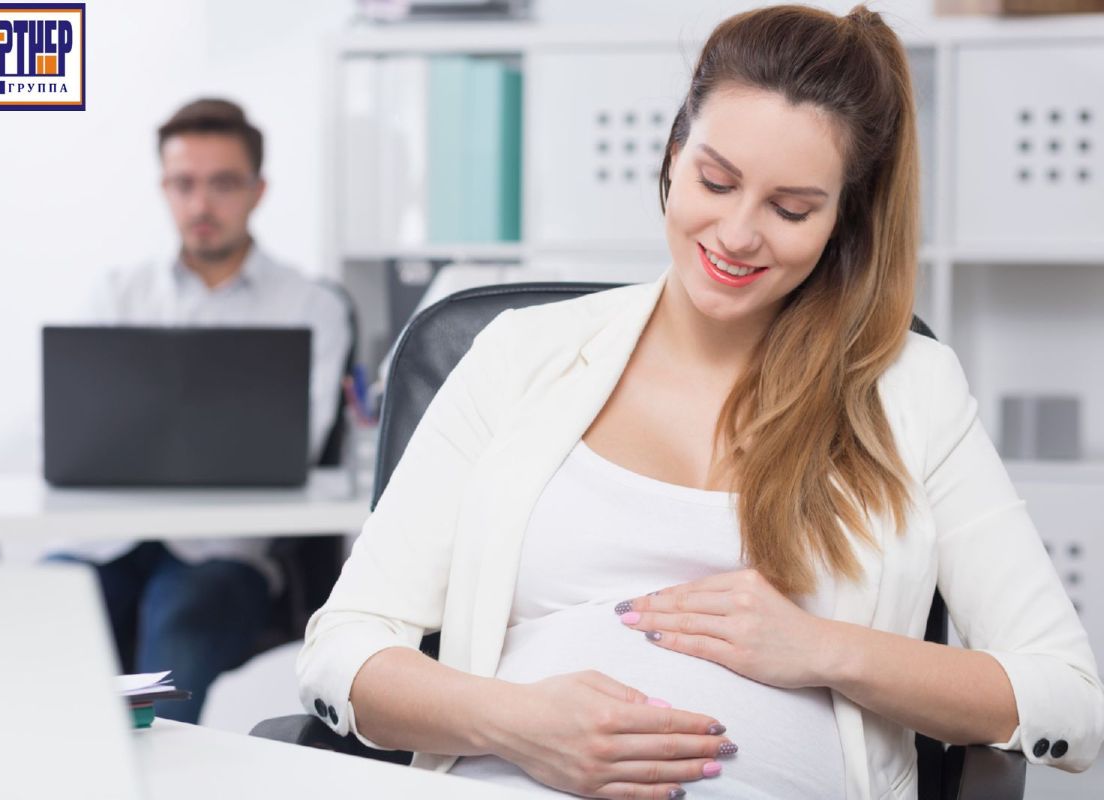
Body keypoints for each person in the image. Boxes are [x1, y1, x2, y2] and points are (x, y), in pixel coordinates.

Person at [296, 6, 1104, 799]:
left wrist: (824, 650)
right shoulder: (519, 354)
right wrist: (515, 722)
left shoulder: (912, 389)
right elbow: (343, 648)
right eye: (716, 181)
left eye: (791, 209)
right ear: (675, 154)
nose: (739, 233)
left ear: (842, 218)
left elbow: (1069, 701)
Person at [53, 98, 352, 724]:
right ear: (164, 188)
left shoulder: (310, 306)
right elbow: (74, 430)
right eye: (183, 184)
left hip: (222, 553)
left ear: (257, 190)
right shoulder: (118, 294)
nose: (201, 204)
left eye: (222, 184)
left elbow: (292, 446)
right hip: (109, 541)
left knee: (179, 625)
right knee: (46, 613)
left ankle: (149, 772)